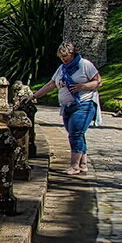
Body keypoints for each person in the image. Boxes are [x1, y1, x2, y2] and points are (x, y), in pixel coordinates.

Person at [32, 41, 102, 176]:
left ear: (72, 54)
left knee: (75, 134)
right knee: (77, 134)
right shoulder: (62, 68)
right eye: (61, 56)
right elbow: (51, 84)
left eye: (65, 56)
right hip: (67, 106)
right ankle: (83, 164)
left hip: (84, 104)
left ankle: (74, 166)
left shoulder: (85, 65)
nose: (63, 59)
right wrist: (34, 96)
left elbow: (98, 81)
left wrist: (83, 87)